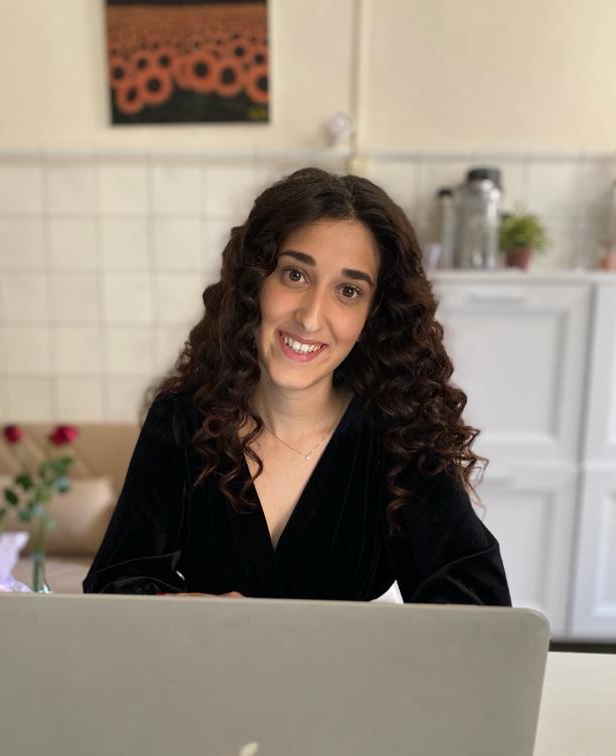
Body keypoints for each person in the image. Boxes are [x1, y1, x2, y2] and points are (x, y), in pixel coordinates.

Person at [83, 167, 511, 605]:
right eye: (295, 275)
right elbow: (115, 584)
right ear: (254, 282)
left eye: (348, 291)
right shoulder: (181, 421)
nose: (310, 318)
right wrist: (182, 609)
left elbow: (479, 607)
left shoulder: (401, 438)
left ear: (373, 315)